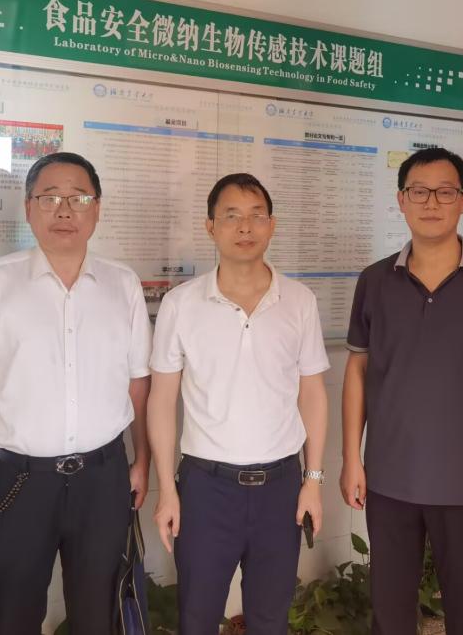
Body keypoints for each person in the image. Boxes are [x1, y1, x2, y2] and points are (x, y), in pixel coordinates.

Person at [0, 152, 152, 635]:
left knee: (97, 615)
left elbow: (139, 383)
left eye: (79, 198)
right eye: (50, 198)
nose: (64, 210)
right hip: (20, 481)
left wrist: (143, 459)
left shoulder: (123, 285)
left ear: (97, 208)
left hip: (104, 478)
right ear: (29, 209)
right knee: (16, 613)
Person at [340, 147, 463, 635]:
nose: (432, 202)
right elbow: (358, 372)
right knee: (390, 614)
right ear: (401, 200)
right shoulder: (374, 281)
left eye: (445, 192)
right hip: (389, 479)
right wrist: (351, 458)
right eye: (419, 191)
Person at [148, 173, 329, 635]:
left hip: (280, 487)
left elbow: (312, 392)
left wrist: (312, 481)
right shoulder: (181, 304)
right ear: (210, 226)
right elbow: (162, 399)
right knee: (197, 617)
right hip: (206, 489)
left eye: (256, 216)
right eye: (231, 216)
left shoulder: (299, 301)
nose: (245, 227)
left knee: (270, 619)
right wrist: (166, 489)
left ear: (272, 225)